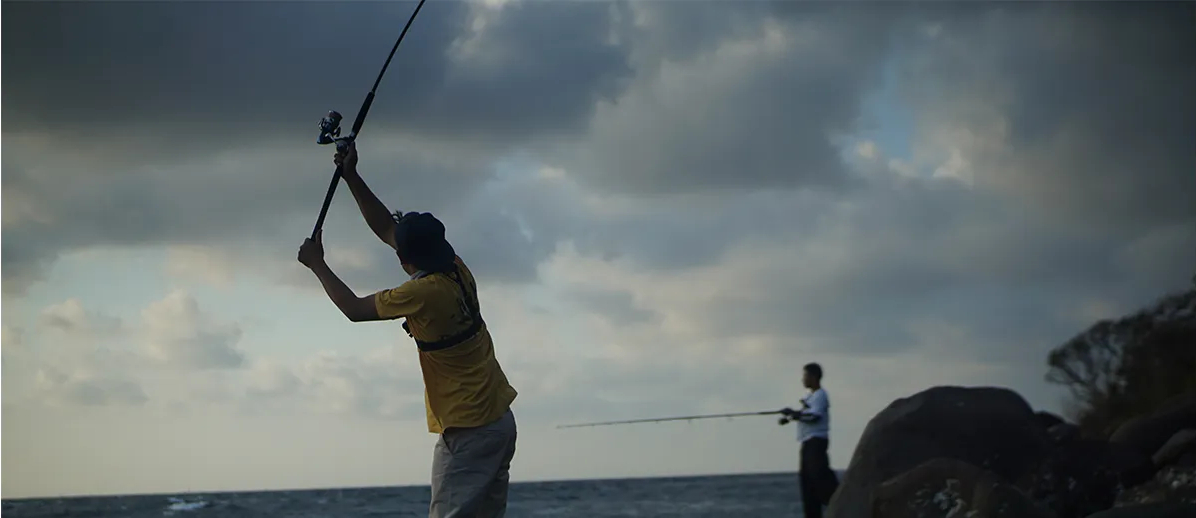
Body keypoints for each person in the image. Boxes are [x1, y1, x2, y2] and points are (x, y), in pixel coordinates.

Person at [297, 141, 519, 518]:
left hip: (468, 430)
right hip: (498, 421)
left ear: (404, 259)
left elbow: (354, 309)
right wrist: (351, 176)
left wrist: (317, 264)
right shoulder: (456, 266)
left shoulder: (421, 293)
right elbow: (387, 227)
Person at [779, 362, 839, 518]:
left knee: (818, 475)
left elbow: (814, 416)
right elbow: (805, 414)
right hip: (806, 442)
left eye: (805, 376)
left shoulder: (821, 395)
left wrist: (795, 414)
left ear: (814, 377)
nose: (803, 379)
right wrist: (790, 417)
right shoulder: (809, 396)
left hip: (816, 441)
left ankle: (837, 499)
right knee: (807, 481)